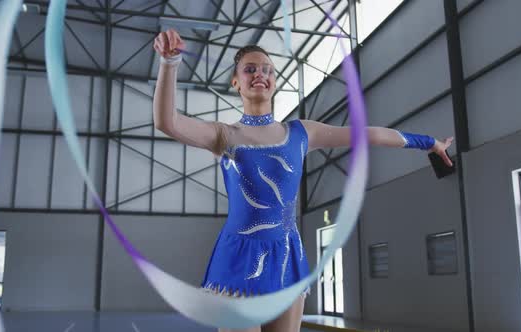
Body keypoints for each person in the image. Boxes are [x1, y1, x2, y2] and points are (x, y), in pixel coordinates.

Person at [152, 29, 453, 332]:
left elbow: (369, 133)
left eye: (268, 70)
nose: (261, 74)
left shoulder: (301, 133)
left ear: (275, 82)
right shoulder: (224, 135)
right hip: (240, 258)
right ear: (236, 83)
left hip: (287, 256)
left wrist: (428, 142)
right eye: (250, 69)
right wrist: (169, 64)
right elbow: (168, 122)